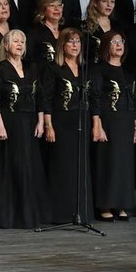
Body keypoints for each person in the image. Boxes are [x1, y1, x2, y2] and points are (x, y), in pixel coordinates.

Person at [0, 29, 47, 229]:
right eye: (15, 41)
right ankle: (9, 216)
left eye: (22, 41)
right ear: (6, 45)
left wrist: (41, 121)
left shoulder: (32, 67)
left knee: (29, 166)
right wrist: (0, 124)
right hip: (9, 122)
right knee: (11, 167)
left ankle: (28, 215)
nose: (19, 44)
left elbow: (39, 96)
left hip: (30, 122)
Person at [40, 28, 93, 225]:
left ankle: (80, 212)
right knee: (62, 167)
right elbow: (46, 97)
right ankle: (61, 213)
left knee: (80, 166)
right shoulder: (54, 68)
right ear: (62, 45)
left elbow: (92, 96)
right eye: (70, 41)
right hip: (61, 121)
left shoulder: (85, 68)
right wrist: (48, 124)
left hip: (81, 120)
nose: (75, 45)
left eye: (78, 41)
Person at [91, 31, 136, 221]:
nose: (119, 44)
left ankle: (121, 204)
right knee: (108, 162)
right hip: (108, 120)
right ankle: (105, 204)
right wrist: (98, 124)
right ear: (106, 46)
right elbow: (94, 97)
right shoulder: (99, 70)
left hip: (126, 121)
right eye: (114, 41)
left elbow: (133, 100)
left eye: (121, 41)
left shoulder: (128, 73)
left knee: (124, 164)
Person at [27, 0, 63, 65]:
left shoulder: (66, 31)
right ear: (44, 9)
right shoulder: (35, 33)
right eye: (52, 5)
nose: (56, 9)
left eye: (59, 5)